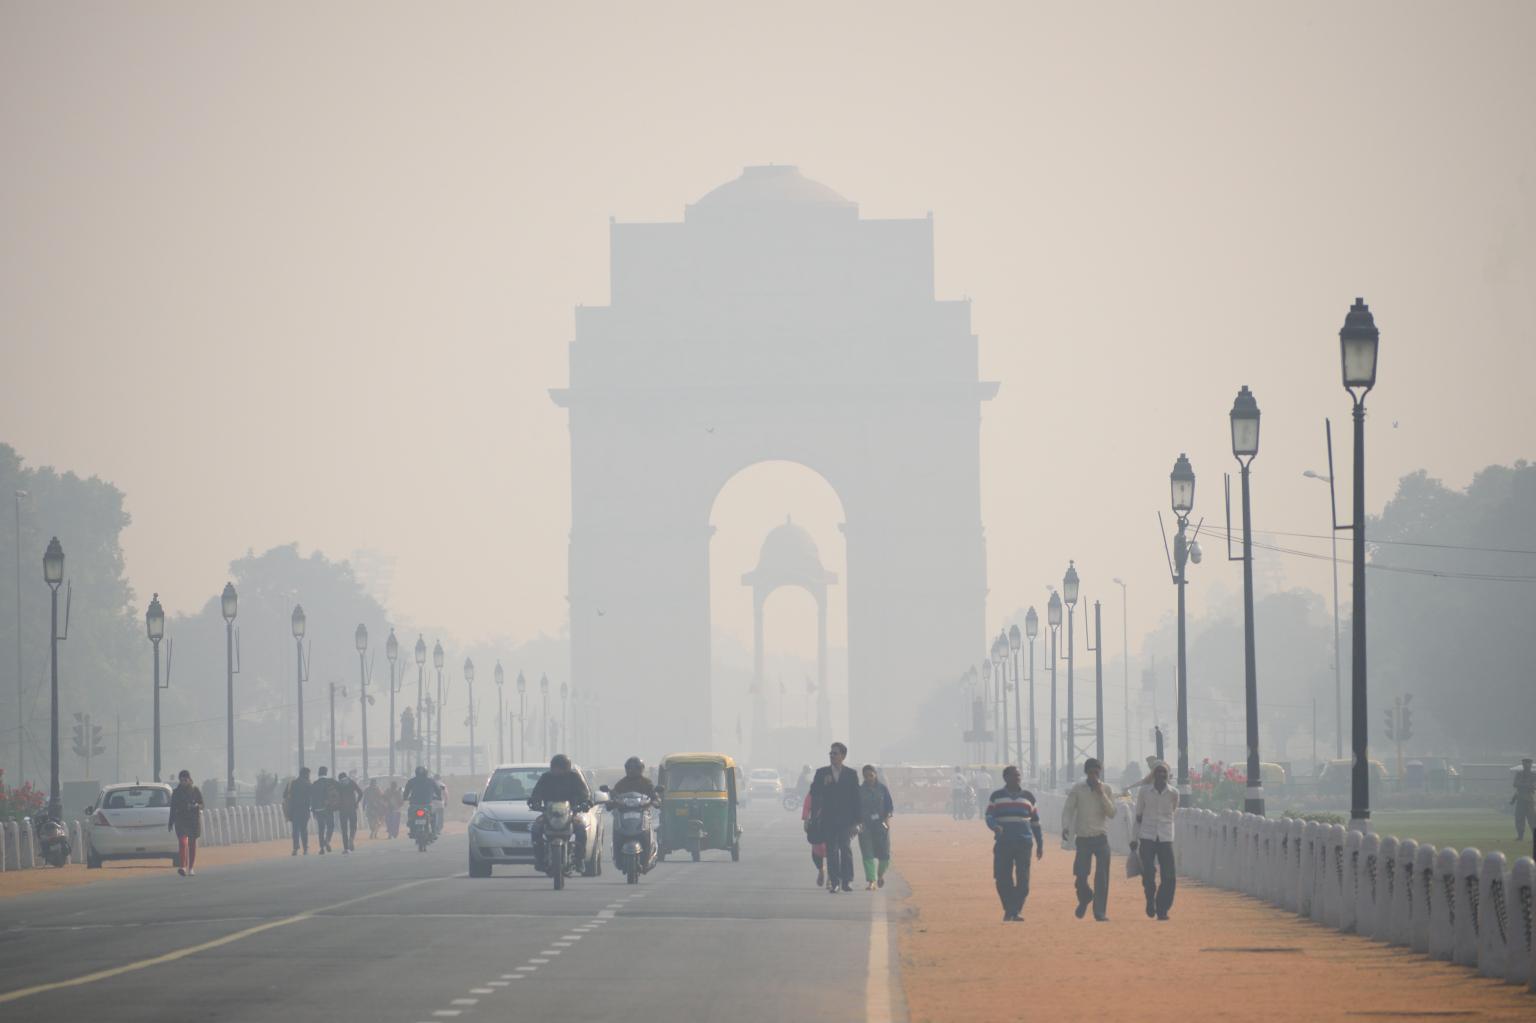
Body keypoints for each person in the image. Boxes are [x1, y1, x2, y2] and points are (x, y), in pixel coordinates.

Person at [1061, 757, 1118, 921]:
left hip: (1101, 838)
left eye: (1097, 772)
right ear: (1086, 772)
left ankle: (1099, 911)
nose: (1094, 775)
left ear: (1100, 772)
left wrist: (1101, 794)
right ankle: (1085, 897)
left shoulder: (1106, 789)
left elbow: (1112, 813)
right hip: (1083, 839)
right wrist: (1065, 827)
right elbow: (1068, 809)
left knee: (1102, 876)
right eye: (1091, 772)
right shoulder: (1078, 789)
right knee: (1080, 875)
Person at [985, 765, 1043, 921]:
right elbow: (989, 816)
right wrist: (994, 827)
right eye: (1014, 775)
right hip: (1003, 843)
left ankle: (1014, 910)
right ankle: (1010, 909)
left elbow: (1036, 823)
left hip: (1024, 843)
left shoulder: (1029, 797)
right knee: (1002, 878)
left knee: (1023, 881)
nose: (1017, 778)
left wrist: (1040, 844)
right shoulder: (996, 796)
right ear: (1006, 778)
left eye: (1019, 775)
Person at [808, 741, 861, 894]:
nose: (832, 756)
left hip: (846, 820)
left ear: (843, 756)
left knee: (845, 849)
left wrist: (858, 821)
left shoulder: (851, 774)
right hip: (828, 818)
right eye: (831, 753)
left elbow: (856, 798)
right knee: (831, 850)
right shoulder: (821, 773)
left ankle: (847, 880)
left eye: (835, 753)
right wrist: (823, 785)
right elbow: (814, 793)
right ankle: (835, 882)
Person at [528, 754, 591, 871]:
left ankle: (579, 859)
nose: (557, 770)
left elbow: (584, 793)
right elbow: (537, 792)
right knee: (536, 828)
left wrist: (585, 802)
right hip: (548, 814)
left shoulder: (574, 777)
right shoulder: (545, 778)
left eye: (560, 767)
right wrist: (534, 801)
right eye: (555, 767)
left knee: (581, 829)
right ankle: (540, 859)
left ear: (567, 767)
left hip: (570, 814)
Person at [1133, 760, 1179, 920]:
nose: (1161, 775)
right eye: (1158, 772)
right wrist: (1134, 837)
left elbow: (1173, 811)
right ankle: (1150, 900)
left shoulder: (1174, 793)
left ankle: (1162, 908)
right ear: (1153, 775)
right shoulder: (1144, 792)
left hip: (1166, 836)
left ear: (1168, 775)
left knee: (1169, 876)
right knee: (1148, 873)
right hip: (1147, 836)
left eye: (1164, 772)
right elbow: (1138, 815)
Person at [608, 756, 659, 861]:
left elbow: (653, 794)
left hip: (642, 812)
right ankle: (617, 856)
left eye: (636, 768)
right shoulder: (621, 783)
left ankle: (649, 854)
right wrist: (611, 802)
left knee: (647, 830)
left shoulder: (647, 782)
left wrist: (656, 800)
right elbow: (614, 795)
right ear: (626, 769)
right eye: (630, 768)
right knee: (617, 832)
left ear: (641, 769)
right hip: (624, 814)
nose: (632, 770)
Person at [858, 764, 894, 890]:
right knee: (867, 854)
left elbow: (889, 808)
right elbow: (855, 810)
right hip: (865, 826)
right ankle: (871, 881)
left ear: (875, 775)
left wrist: (887, 821)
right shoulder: (859, 790)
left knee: (884, 856)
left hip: (881, 825)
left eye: (871, 775)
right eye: (866, 776)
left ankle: (880, 875)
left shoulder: (883, 789)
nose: (869, 778)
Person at [168, 770, 204, 876]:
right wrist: (171, 821)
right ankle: (182, 866)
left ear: (189, 779)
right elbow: (173, 808)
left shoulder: (195, 790)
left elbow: (202, 804)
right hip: (181, 820)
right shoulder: (176, 792)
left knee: (192, 844)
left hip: (193, 820)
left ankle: (191, 867)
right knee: (183, 842)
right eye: (181, 780)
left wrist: (197, 805)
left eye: (185, 779)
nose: (183, 782)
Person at [801, 788, 827, 887]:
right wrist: (806, 820)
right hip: (817, 826)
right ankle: (821, 870)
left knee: (832, 850)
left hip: (832, 824)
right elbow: (807, 806)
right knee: (817, 850)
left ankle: (832, 878)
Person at [284, 767, 313, 855]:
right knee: (304, 829)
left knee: (295, 829)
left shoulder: (292, 783)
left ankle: (295, 848)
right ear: (305, 774)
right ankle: (305, 849)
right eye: (308, 774)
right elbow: (312, 797)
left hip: (294, 809)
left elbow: (284, 795)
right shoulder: (308, 784)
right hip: (305, 810)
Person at [311, 766, 337, 854]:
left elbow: (312, 798)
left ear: (319, 773)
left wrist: (313, 810)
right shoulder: (330, 781)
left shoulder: (314, 783)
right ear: (326, 772)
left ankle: (322, 848)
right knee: (331, 826)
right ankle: (327, 841)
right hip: (328, 808)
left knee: (321, 829)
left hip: (318, 809)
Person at [336, 771, 363, 852]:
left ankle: (346, 848)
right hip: (352, 808)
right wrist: (357, 802)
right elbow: (360, 793)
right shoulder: (351, 782)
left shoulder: (338, 785)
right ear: (346, 776)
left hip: (342, 809)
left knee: (344, 829)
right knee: (353, 826)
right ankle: (351, 838)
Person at [1512, 758, 1536, 842]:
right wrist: (1526, 785)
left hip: (1529, 800)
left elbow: (1533, 786)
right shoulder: (1519, 774)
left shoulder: (1533, 775)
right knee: (1519, 819)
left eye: (1527, 763)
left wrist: (1522, 785)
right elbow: (1515, 784)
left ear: (1530, 764)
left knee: (1532, 819)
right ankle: (1520, 836)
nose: (1525, 765)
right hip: (1520, 799)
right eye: (1524, 763)